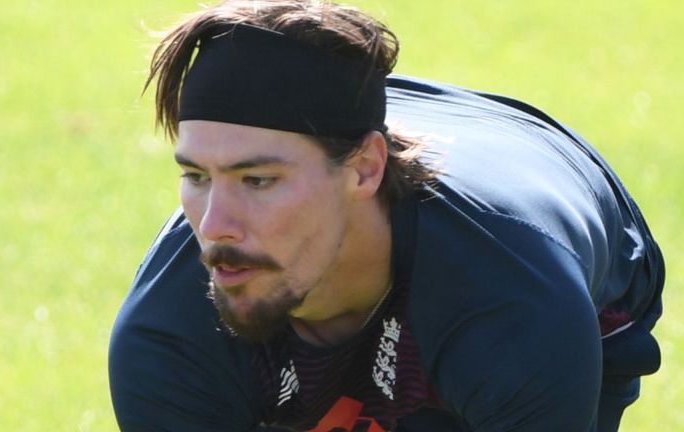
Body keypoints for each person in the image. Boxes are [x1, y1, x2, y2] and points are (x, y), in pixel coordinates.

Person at [108, 1, 665, 431]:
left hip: (567, 248)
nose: (213, 227)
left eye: (259, 180)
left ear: (365, 169)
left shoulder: (513, 304)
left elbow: (520, 317)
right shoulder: (167, 333)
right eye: (197, 177)